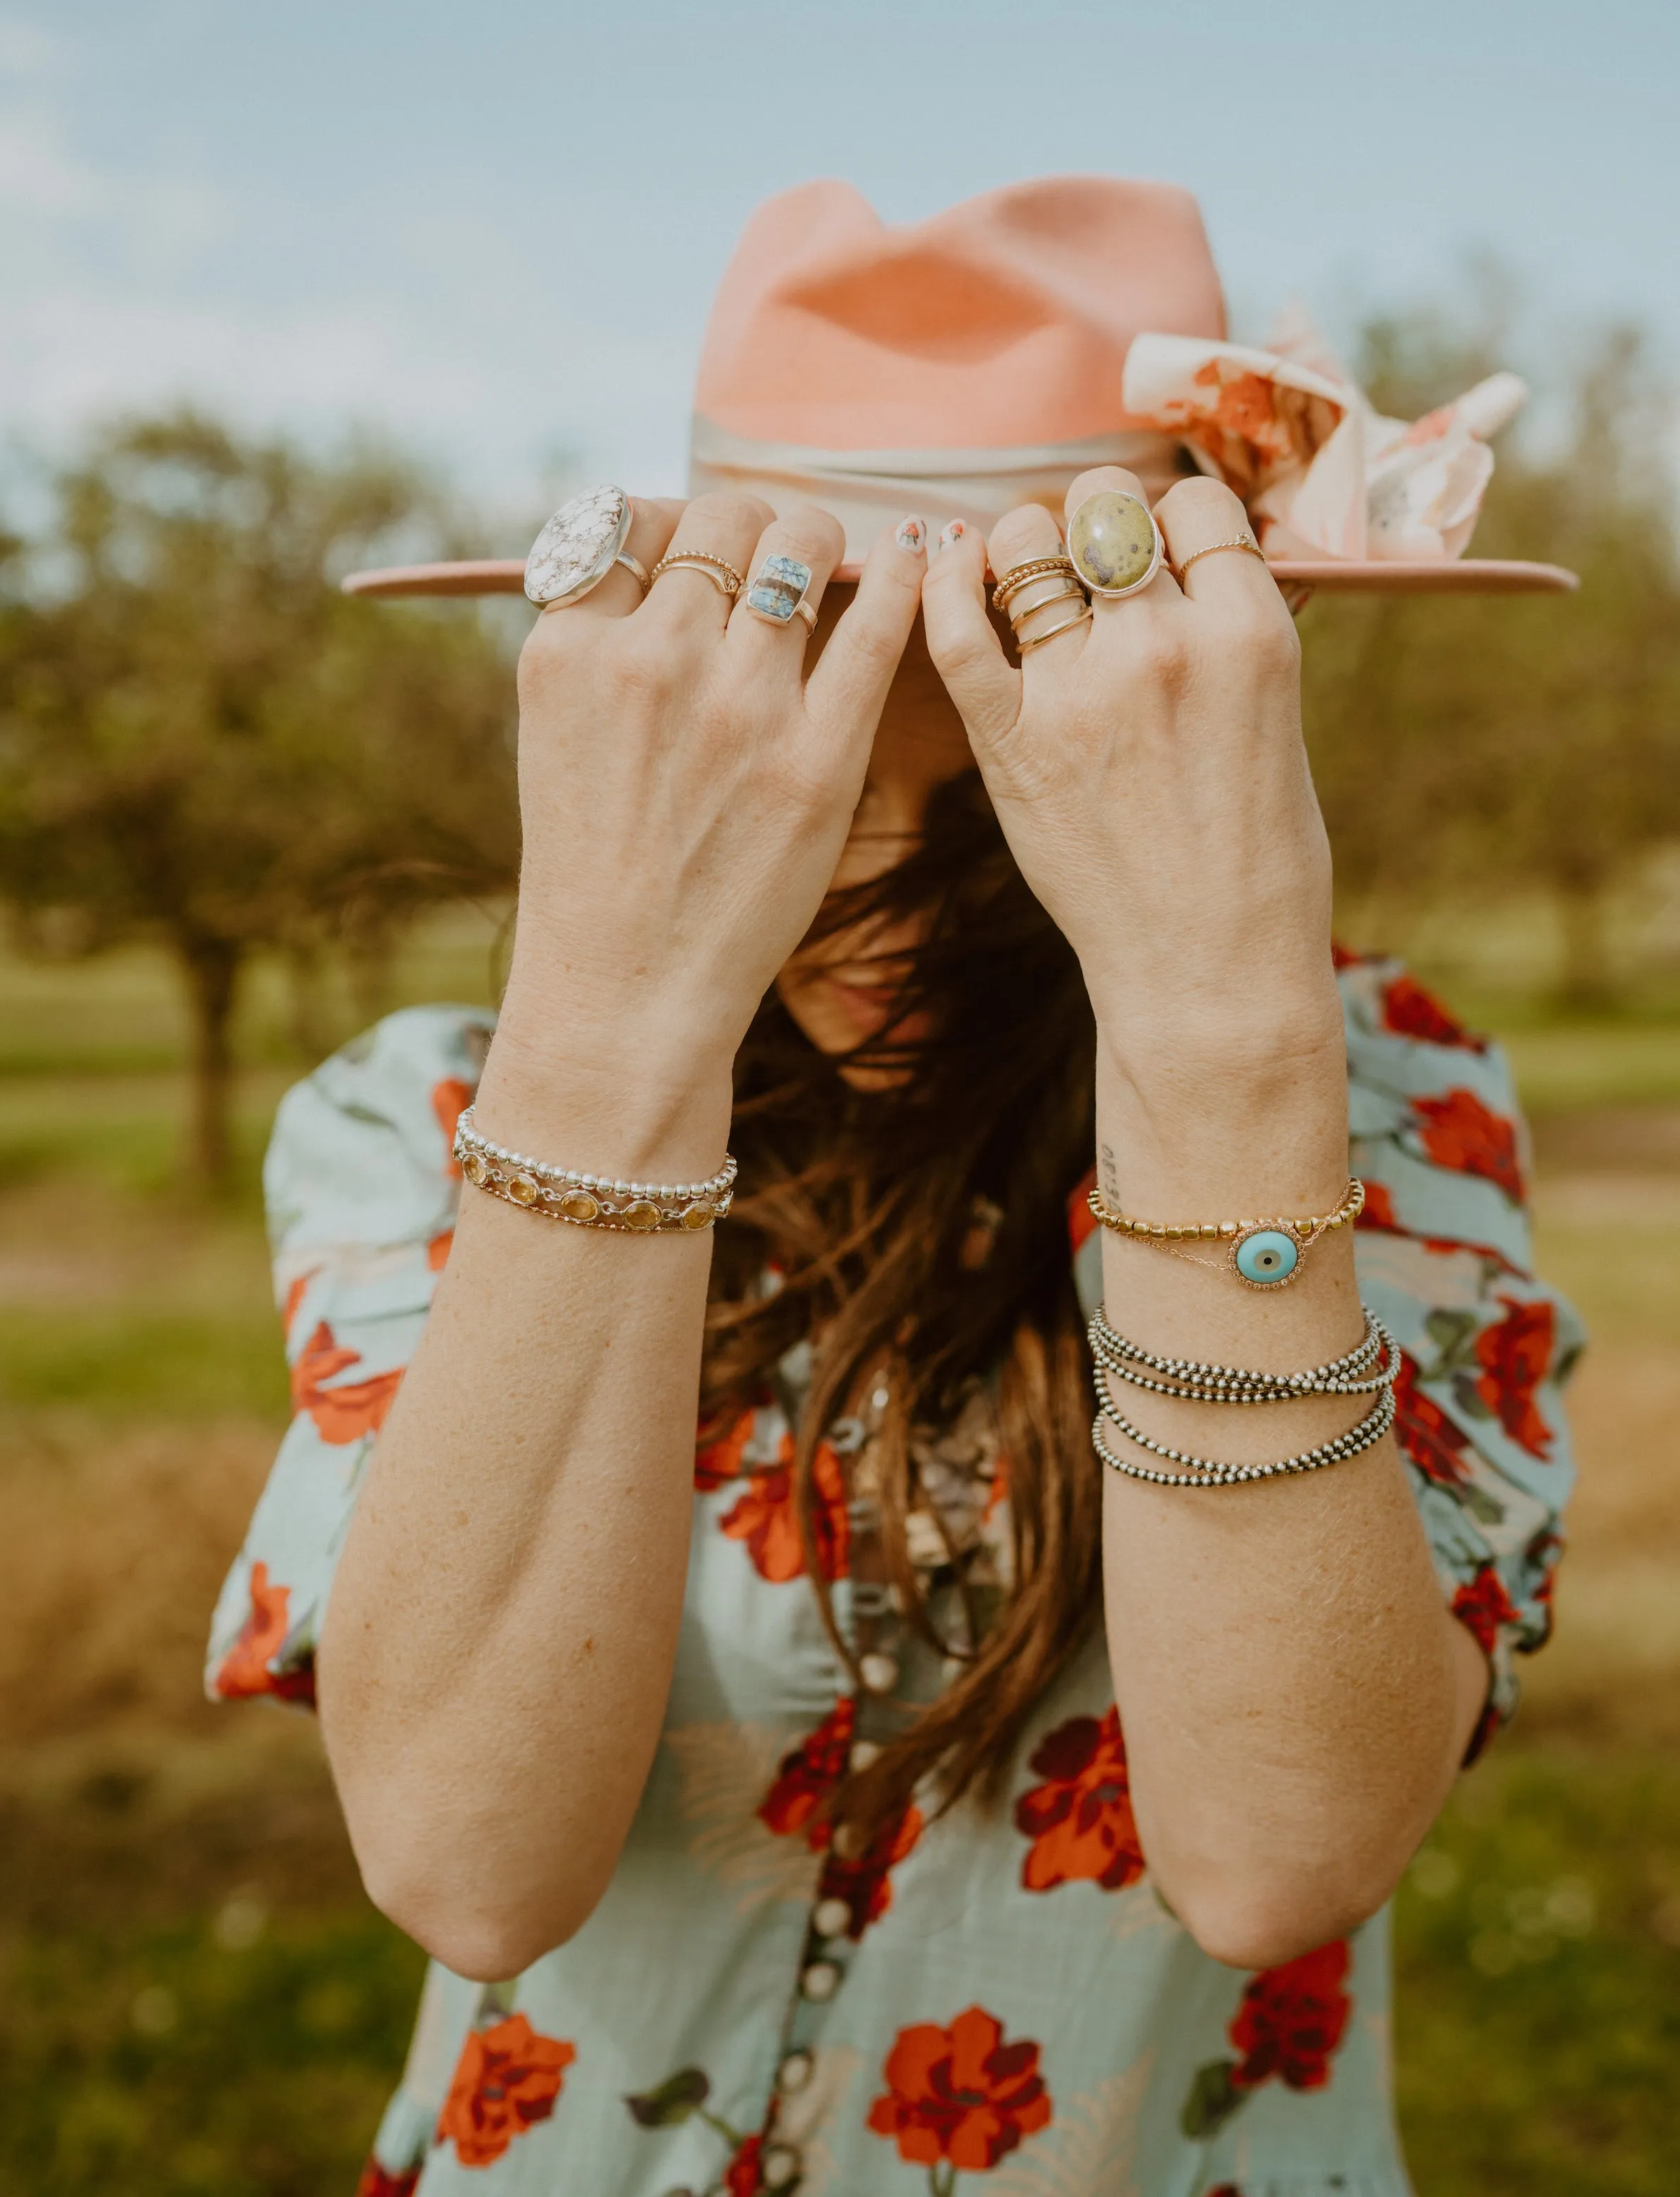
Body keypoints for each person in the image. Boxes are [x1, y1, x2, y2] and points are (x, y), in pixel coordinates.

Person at [209, 178, 1581, 2197]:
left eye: (1005, 766)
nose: (875, 883)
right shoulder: (420, 1120)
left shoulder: (1398, 1105)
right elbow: (467, 1862)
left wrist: (1215, 1025)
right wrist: (615, 1004)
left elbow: (1284, 1852)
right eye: (808, 752)